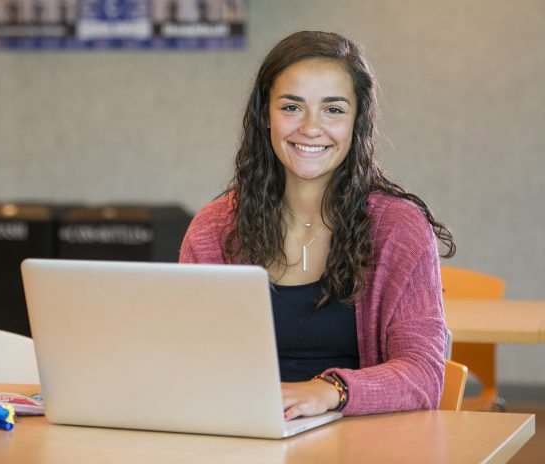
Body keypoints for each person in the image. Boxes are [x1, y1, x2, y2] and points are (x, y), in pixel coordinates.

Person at [179, 31, 456, 418]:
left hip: (363, 440)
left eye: (333, 109)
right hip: (245, 434)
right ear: (265, 116)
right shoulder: (214, 229)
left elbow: (423, 373)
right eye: (291, 107)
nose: (310, 128)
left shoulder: (397, 228)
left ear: (357, 121)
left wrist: (330, 391)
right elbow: (190, 360)